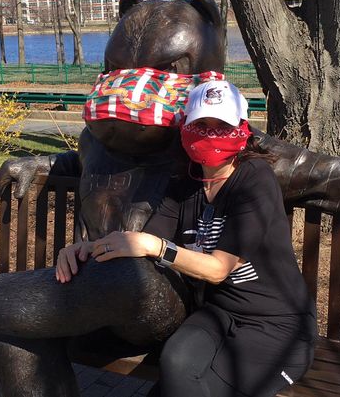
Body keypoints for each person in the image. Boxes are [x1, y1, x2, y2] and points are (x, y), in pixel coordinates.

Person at [56, 80, 317, 397]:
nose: (210, 133)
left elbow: (218, 268)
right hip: (216, 314)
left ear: (242, 128)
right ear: (185, 127)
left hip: (277, 327)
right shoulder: (185, 183)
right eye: (200, 124)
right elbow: (145, 240)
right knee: (177, 362)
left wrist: (158, 248)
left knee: (185, 387)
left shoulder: (254, 179)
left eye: (221, 125)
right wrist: (84, 250)